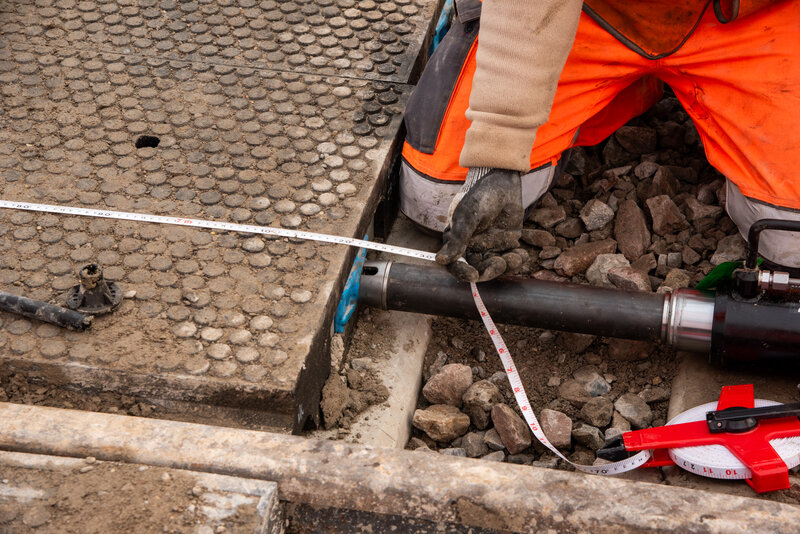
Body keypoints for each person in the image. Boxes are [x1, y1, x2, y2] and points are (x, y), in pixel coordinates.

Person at [399, 0, 799, 282]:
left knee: (790, 241)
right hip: (591, 13)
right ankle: (634, 87)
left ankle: (675, 86)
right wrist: (498, 151)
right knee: (438, 199)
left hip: (753, 18)